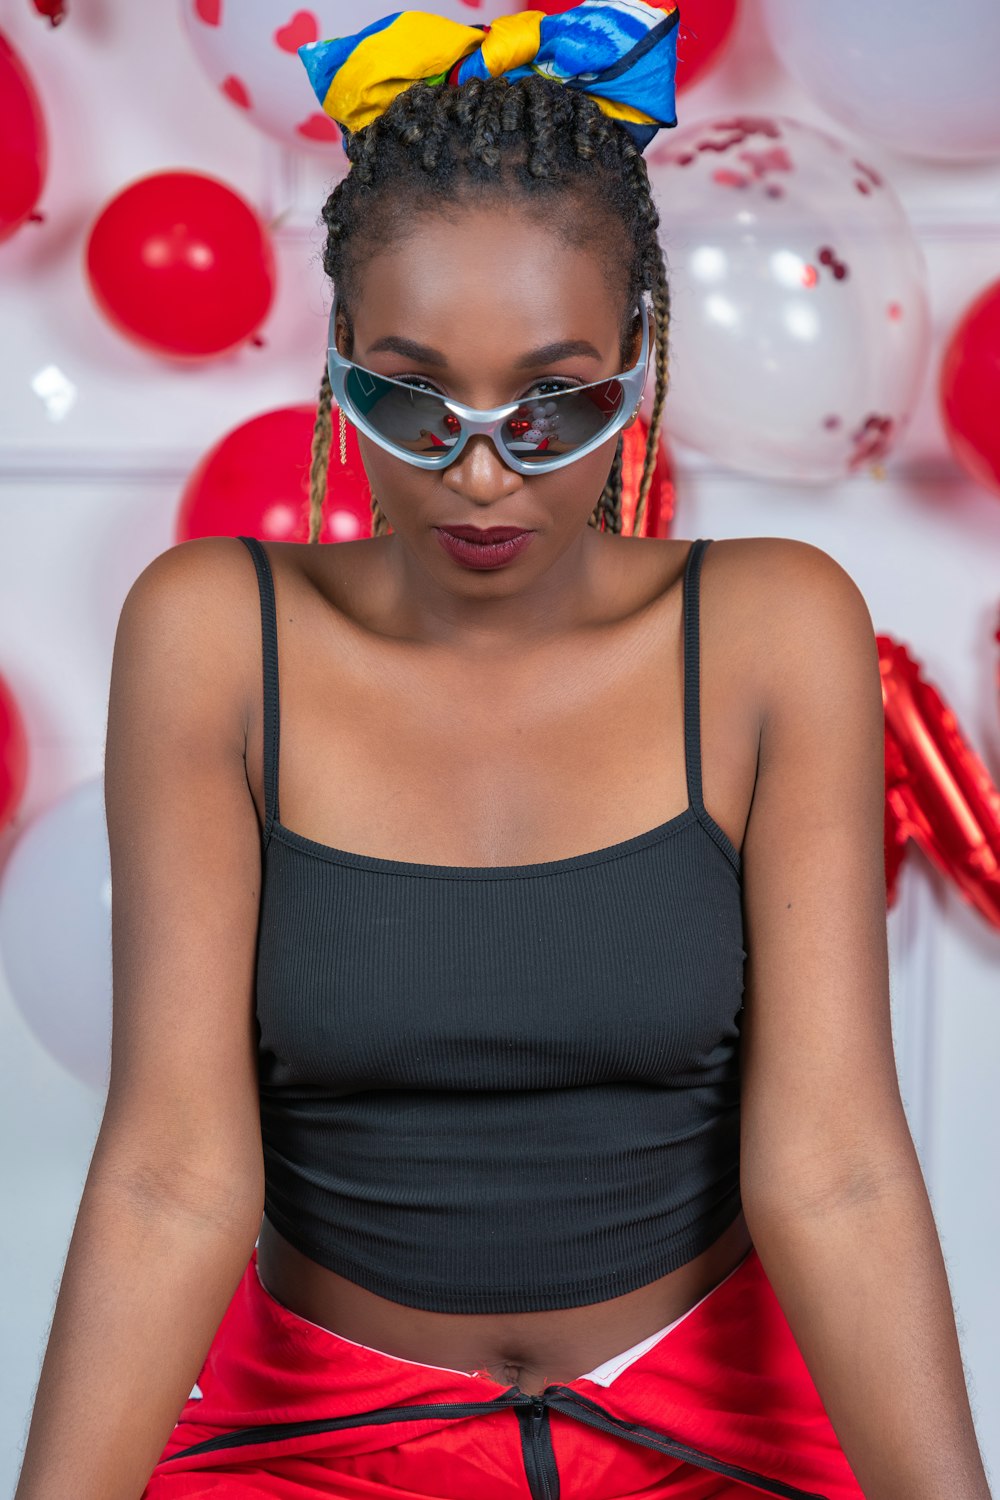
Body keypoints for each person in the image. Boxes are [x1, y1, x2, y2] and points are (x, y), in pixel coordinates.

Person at [13, 5, 994, 1499]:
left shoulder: (772, 628)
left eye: (557, 404)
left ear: (637, 365)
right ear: (339, 361)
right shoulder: (214, 633)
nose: (481, 470)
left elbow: (837, 1168)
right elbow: (170, 1173)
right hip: (313, 1440)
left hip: (715, 1433)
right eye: (413, 395)